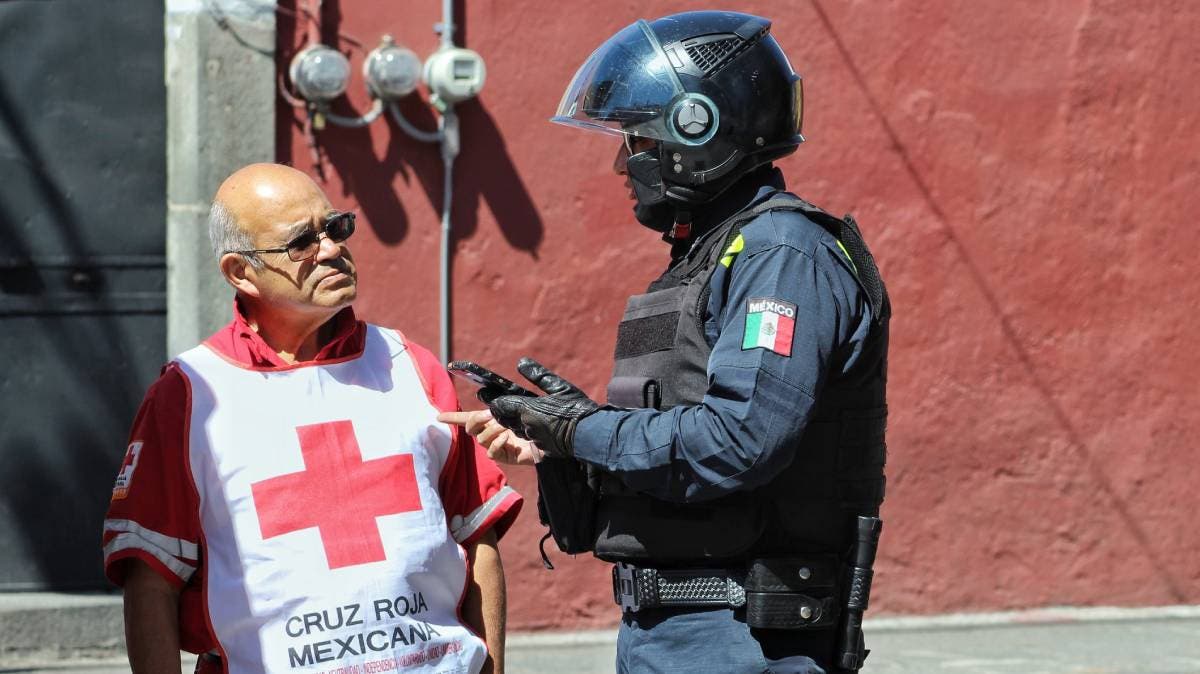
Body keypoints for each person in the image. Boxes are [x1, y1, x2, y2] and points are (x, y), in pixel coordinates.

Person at [440, 11, 889, 674]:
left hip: (744, 637)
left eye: (637, 140)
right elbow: (683, 434)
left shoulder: (782, 255)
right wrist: (559, 440)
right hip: (676, 632)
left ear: (699, 128)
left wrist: (584, 431)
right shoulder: (714, 253)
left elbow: (741, 441)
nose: (624, 162)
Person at [102, 163, 522, 674]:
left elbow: (476, 532)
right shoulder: (190, 394)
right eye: (301, 241)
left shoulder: (409, 364)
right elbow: (151, 578)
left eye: (336, 227)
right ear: (240, 272)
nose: (330, 249)